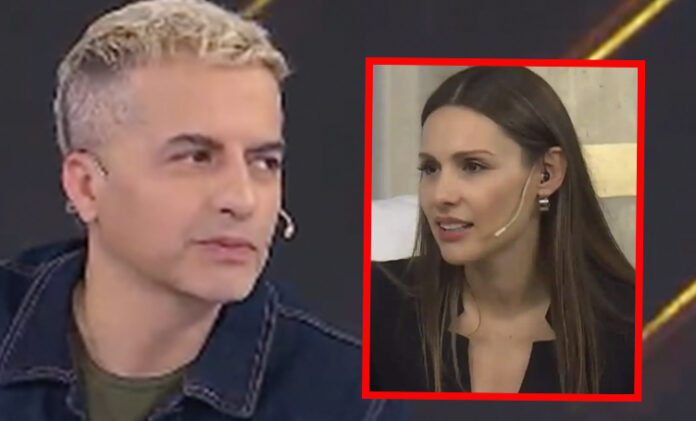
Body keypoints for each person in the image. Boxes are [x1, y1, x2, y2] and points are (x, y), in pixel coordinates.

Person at [0, 1, 406, 419]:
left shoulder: (348, 402)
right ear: (87, 186)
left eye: (264, 162)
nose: (243, 200)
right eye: (196, 157)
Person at [370, 66, 635, 394]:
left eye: (473, 166)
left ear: (546, 174)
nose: (440, 195)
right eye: (430, 168)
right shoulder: (375, 303)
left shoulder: (632, 327)